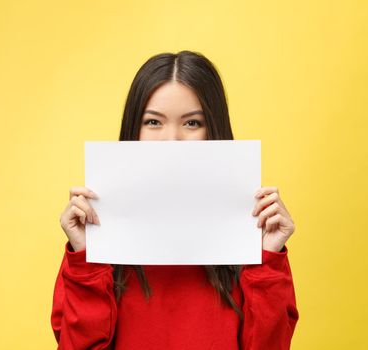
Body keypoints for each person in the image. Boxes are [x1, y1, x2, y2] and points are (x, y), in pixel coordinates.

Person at [51, 50, 299, 350]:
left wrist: (267, 261)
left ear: (213, 131)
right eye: (153, 122)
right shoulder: (95, 247)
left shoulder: (251, 242)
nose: (172, 140)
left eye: (192, 123)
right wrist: (86, 258)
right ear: (134, 130)